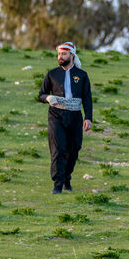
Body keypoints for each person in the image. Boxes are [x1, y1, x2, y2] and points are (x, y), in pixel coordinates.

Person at [39, 42, 93, 194]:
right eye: (59, 54)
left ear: (72, 55)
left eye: (64, 54)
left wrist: (88, 118)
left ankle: (66, 177)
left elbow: (87, 98)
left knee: (74, 148)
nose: (60, 57)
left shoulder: (82, 75)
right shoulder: (51, 74)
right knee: (58, 149)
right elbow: (40, 95)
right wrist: (48, 97)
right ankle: (57, 184)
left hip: (75, 115)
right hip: (56, 115)